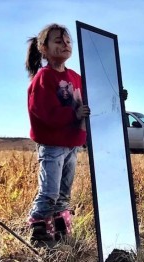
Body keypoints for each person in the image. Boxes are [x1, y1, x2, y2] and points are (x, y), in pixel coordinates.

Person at [25, 23, 91, 247]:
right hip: (53, 145)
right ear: (43, 48)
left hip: (72, 144)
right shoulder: (44, 78)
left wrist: (117, 94)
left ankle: (60, 231)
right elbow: (43, 113)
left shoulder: (76, 77)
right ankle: (38, 231)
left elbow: (93, 99)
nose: (65, 44)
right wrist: (73, 114)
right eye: (58, 41)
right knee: (49, 192)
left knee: (64, 193)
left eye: (68, 41)